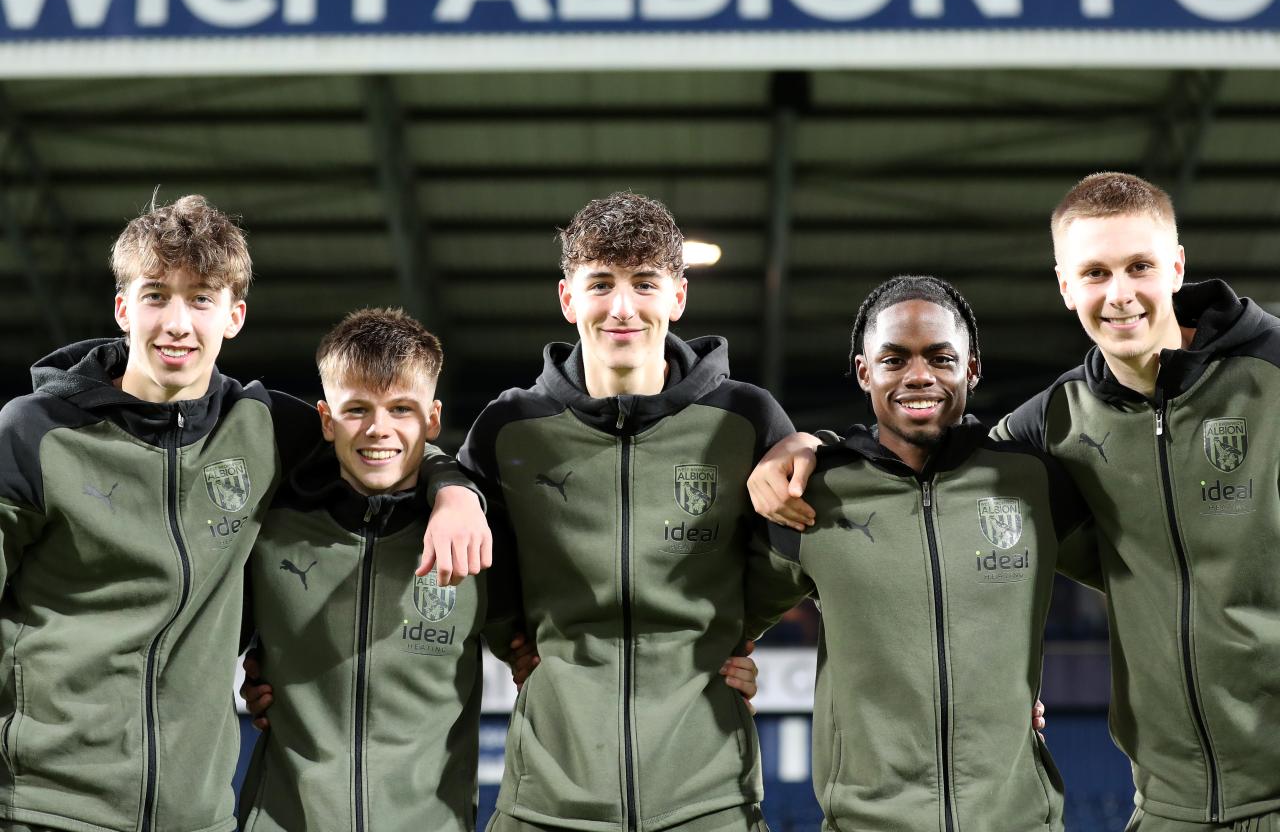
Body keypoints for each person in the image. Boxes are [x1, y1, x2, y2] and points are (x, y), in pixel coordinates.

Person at [751, 174, 1280, 832]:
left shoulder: (1271, 370)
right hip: (1172, 804)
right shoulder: (1054, 425)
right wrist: (805, 444)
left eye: (1139, 266)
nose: (1119, 294)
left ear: (1176, 266)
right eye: (1095, 272)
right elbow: (930, 469)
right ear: (1066, 285)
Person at [0, 196, 487, 832]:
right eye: (156, 296)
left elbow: (383, 443)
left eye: (201, 299)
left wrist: (455, 490)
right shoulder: (34, 433)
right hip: (46, 805)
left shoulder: (264, 427)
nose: (177, 323)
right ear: (123, 309)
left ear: (235, 316)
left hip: (195, 815)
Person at [459, 192, 795, 832]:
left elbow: (799, 542)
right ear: (568, 299)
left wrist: (735, 633)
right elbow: (458, 539)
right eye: (600, 284)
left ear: (678, 297)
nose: (622, 307)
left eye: (644, 283)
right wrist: (509, 638)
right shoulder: (509, 427)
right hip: (547, 800)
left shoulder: (746, 418)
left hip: (708, 797)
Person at [747, 275, 1087, 832]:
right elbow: (719, 621)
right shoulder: (813, 494)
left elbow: (1140, 575)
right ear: (865, 372)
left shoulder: (1032, 482)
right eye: (894, 359)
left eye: (940, 358)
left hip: (1019, 820)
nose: (919, 376)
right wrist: (729, 671)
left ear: (971, 368)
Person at [238, 307, 510, 832]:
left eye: (401, 409)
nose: (378, 429)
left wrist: (455, 488)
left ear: (432, 419)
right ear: (326, 419)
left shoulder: (479, 539)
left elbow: (542, 654)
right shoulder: (269, 527)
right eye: (357, 409)